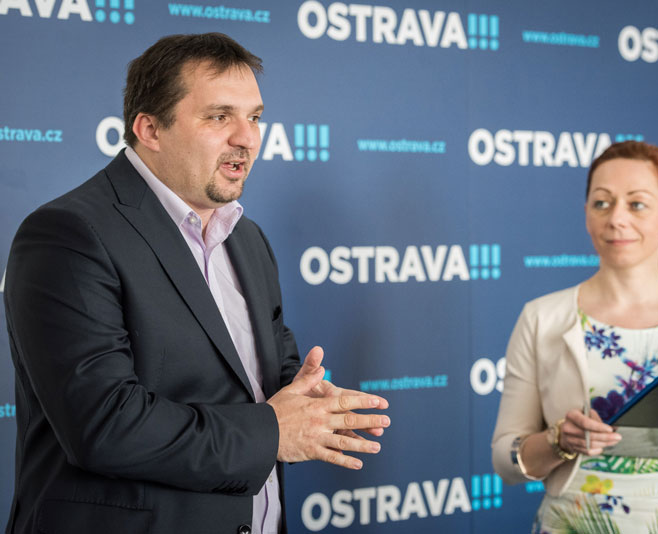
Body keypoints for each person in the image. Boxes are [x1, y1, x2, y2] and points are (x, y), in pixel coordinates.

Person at [4, 33, 390, 534]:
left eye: (254, 117)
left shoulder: (247, 237)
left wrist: (306, 401)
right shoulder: (69, 234)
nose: (247, 138)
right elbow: (104, 425)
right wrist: (274, 432)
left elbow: (260, 373)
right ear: (150, 129)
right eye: (219, 116)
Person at [492, 141, 658, 533]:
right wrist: (557, 442)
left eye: (637, 204)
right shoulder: (541, 318)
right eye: (602, 203)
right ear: (586, 214)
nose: (616, 218)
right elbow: (506, 461)